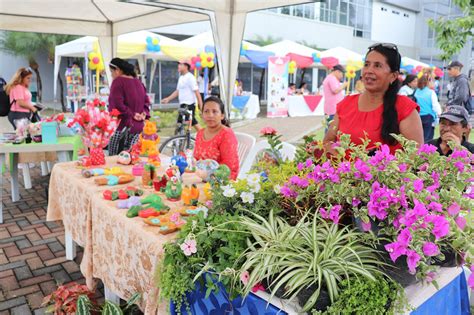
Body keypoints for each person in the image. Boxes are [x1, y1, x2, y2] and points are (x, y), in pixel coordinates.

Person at [324, 43, 423, 154]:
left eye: (377, 66)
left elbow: (416, 155)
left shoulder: (405, 108)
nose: (369, 71)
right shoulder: (345, 104)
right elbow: (328, 141)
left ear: (393, 76)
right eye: (366, 65)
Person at [108, 58, 150, 156]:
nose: (111, 75)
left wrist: (132, 114)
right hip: (138, 127)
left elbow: (117, 103)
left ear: (117, 70)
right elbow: (146, 101)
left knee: (115, 159)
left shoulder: (118, 82)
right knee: (132, 157)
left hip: (122, 127)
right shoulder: (138, 82)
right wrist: (143, 113)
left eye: (111, 72)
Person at [193, 96, 239, 180]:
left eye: (214, 112)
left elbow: (228, 168)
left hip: (221, 182)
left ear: (222, 115)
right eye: (206, 111)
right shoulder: (200, 133)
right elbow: (196, 160)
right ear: (202, 115)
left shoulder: (226, 134)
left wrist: (209, 176)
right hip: (201, 179)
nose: (210, 115)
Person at [161, 62, 203, 132]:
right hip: (182, 104)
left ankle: (204, 136)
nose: (178, 66)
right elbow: (178, 91)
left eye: (181, 64)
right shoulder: (181, 78)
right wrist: (168, 99)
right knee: (179, 124)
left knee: (192, 122)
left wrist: (201, 107)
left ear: (186, 67)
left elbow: (197, 93)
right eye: (178, 64)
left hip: (189, 104)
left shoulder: (190, 77)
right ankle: (178, 141)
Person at [415, 76, 441, 142]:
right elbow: (435, 106)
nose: (433, 83)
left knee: (418, 137)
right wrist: (439, 113)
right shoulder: (431, 92)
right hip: (428, 117)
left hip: (417, 116)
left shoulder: (416, 92)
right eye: (432, 81)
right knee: (427, 138)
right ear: (428, 82)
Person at [322, 64, 347, 129]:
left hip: (332, 108)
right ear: (337, 71)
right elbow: (335, 90)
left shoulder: (331, 78)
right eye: (342, 73)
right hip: (333, 109)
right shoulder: (332, 78)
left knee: (330, 128)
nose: (342, 76)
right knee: (331, 129)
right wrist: (343, 85)